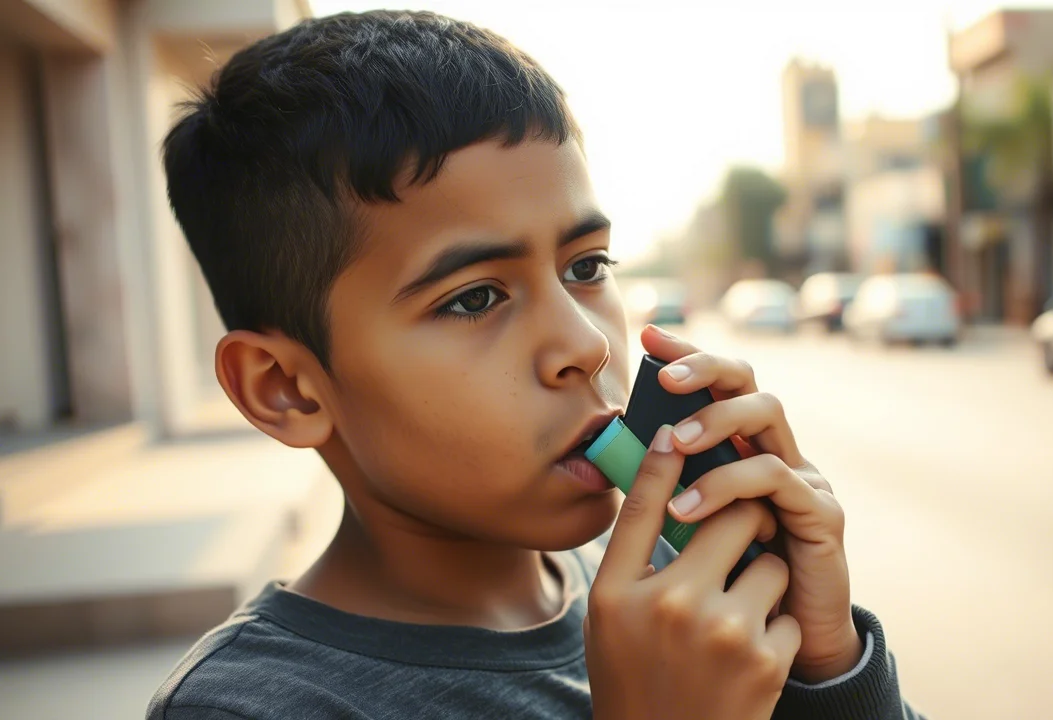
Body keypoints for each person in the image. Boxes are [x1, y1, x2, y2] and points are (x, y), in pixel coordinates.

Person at [147, 10, 924, 720]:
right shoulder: (244, 709)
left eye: (587, 267)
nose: (586, 345)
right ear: (285, 388)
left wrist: (828, 668)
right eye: (476, 298)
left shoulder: (679, 586)